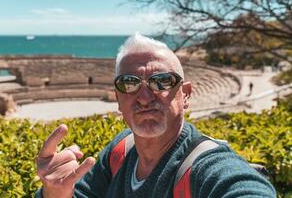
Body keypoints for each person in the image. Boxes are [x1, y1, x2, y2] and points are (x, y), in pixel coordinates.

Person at [35, 33, 276, 197]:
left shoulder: (205, 168)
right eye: (129, 83)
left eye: (161, 82)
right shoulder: (119, 151)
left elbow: (242, 186)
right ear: (118, 99)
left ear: (186, 95)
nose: (144, 97)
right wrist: (54, 193)